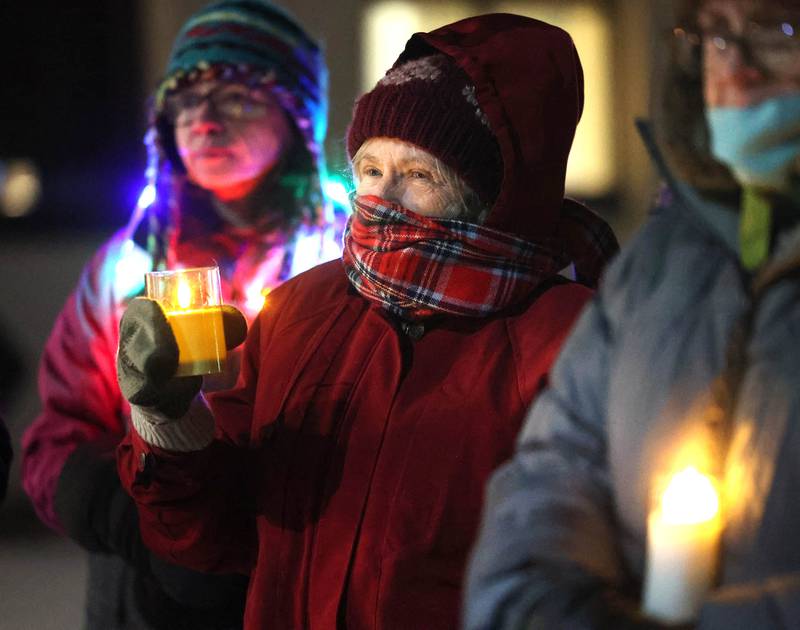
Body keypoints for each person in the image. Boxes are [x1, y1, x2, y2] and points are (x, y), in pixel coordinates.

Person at [114, 13, 618, 629]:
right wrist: (168, 420)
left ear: (493, 198)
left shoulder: (570, 338)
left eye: (418, 175)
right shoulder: (300, 309)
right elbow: (223, 534)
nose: (381, 200)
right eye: (372, 169)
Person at [464, 1, 800, 628]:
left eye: (776, 30)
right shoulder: (661, 264)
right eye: (715, 36)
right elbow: (560, 466)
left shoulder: (558, 305)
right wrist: (543, 608)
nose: (735, 70)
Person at [21, 1, 342, 628]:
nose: (204, 121)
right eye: (186, 101)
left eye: (236, 96)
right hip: (144, 596)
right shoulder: (126, 266)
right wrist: (122, 514)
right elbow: (58, 435)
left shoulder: (344, 257)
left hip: (305, 576)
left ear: (298, 119)